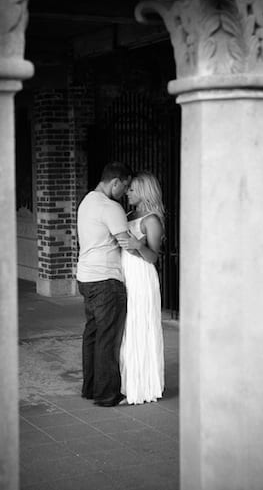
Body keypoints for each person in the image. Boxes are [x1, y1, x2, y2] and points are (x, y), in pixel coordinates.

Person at [76, 161, 132, 407]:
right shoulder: (111, 207)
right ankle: (107, 394)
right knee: (108, 338)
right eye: (125, 187)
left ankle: (90, 388)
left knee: (93, 334)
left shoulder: (87, 201)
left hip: (86, 277)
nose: (125, 194)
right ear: (116, 182)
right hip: (106, 279)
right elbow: (126, 242)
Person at [116, 171, 165, 405]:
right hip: (126, 275)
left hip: (142, 278)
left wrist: (136, 246)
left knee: (140, 328)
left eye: (133, 189)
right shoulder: (128, 214)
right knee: (127, 330)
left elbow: (153, 257)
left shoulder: (152, 220)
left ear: (144, 192)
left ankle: (143, 387)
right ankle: (128, 384)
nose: (128, 192)